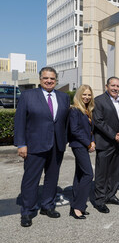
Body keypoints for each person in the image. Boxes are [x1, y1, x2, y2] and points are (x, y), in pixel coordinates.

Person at [14, 67, 70, 227]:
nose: (49, 81)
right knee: (31, 179)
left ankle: (47, 205)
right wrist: (21, 143)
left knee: (52, 178)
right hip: (34, 145)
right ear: (40, 79)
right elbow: (20, 121)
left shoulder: (63, 97)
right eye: (46, 78)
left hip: (57, 144)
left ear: (56, 80)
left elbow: (65, 122)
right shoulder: (27, 96)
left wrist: (64, 140)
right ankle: (27, 211)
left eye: (52, 78)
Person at [93, 77, 119, 213]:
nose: (115, 88)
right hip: (105, 142)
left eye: (118, 86)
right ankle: (100, 200)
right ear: (106, 86)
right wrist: (114, 134)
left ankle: (111, 195)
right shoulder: (99, 100)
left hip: (118, 143)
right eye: (113, 85)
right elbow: (99, 122)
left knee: (114, 172)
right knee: (102, 173)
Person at [68, 85, 96, 219]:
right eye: (84, 94)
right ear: (79, 95)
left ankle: (76, 205)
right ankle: (78, 206)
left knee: (79, 175)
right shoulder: (74, 110)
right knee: (88, 174)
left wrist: (93, 140)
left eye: (89, 95)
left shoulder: (87, 110)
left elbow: (91, 129)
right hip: (78, 145)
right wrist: (88, 143)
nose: (87, 97)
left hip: (84, 144)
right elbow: (75, 130)